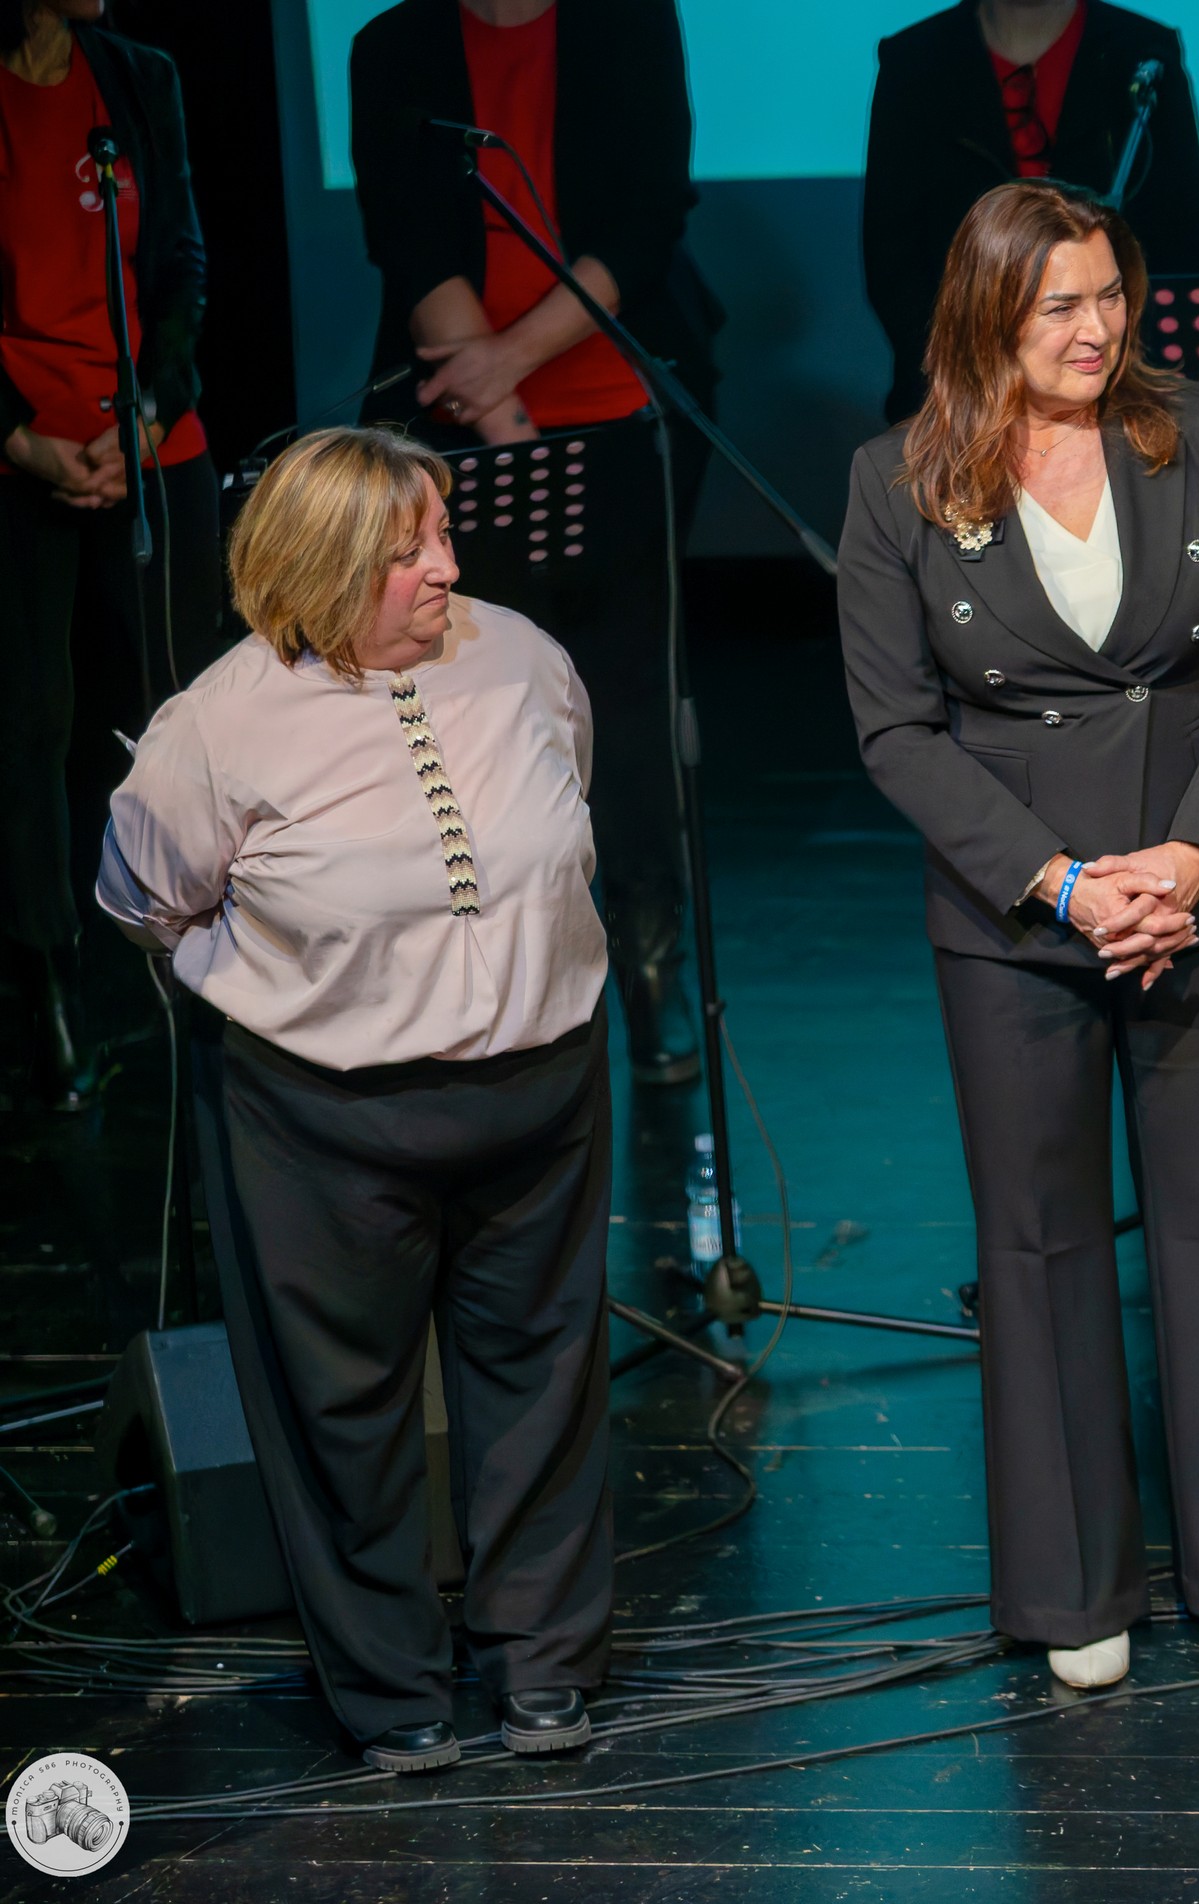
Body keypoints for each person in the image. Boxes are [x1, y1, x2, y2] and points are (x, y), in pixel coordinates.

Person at [837, 181, 1199, 1690]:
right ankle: (1074, 1590)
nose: (1097, 327)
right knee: (1038, 1244)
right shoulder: (892, 481)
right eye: (1061, 304)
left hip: (1198, 897)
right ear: (989, 313)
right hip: (1019, 921)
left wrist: (1186, 859)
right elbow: (896, 730)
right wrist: (1061, 883)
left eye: (1111, 294)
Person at [98, 427, 614, 1775]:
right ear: (321, 570)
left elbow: (568, 804)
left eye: (442, 534)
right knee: (345, 1407)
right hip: (328, 1118)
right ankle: (394, 1693)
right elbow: (147, 896)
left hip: (541, 1090)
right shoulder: (218, 726)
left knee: (542, 1386)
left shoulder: (522, 658)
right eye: (406, 553)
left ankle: (543, 1666)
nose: (446, 567)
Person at [350, 0, 724, 1084]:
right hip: (459, 424)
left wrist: (510, 365)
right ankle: (501, 978)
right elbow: (410, 241)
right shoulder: (392, 45)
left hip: (622, 406)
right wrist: (506, 423)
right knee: (472, 714)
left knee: (629, 706)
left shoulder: (626, 20)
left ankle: (649, 966)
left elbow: (645, 224)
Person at [1, 0, 219, 1106]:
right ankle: (44, 995)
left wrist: (148, 412)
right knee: (27, 722)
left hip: (144, 439)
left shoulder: (138, 76)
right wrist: (20, 440)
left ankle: (198, 958)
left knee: (177, 701)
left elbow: (180, 260)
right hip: (18, 449)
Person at [865, 0, 1199, 423]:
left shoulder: (1144, 52)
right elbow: (892, 257)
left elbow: (1182, 245)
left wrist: (1115, 371)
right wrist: (971, 376)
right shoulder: (915, 58)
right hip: (959, 400)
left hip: (1115, 395)